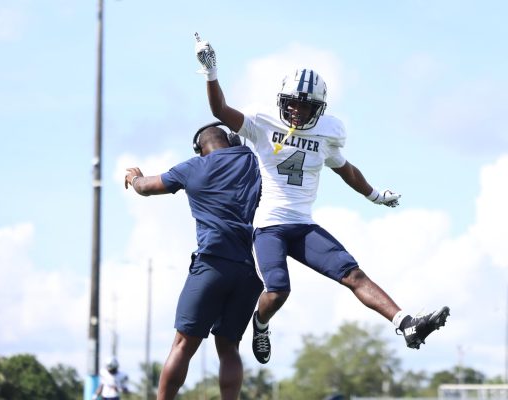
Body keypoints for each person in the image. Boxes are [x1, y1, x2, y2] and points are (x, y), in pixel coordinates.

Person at [194, 34, 450, 365]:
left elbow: (346, 169)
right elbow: (220, 110)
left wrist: (374, 196)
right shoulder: (261, 121)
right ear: (283, 101)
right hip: (269, 226)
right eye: (293, 103)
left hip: (302, 225)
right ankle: (260, 324)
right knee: (279, 289)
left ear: (319, 108)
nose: (298, 111)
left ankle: (407, 325)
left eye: (306, 105)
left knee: (353, 274)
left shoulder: (328, 132)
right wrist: (211, 72)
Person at [124, 123, 263, 400]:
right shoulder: (250, 161)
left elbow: (147, 187)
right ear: (231, 139)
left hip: (211, 265)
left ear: (200, 150)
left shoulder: (191, 168)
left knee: (183, 344)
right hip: (246, 272)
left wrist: (135, 177)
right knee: (229, 348)